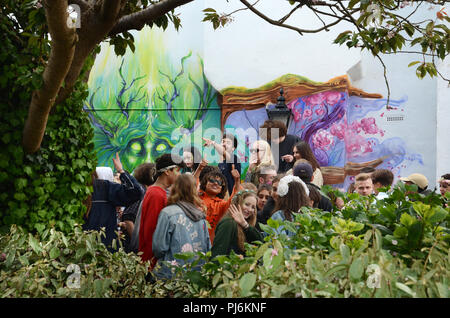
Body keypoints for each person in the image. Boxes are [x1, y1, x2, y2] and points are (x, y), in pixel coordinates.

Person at [152, 174, 211, 279]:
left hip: (170, 275)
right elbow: (207, 248)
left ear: (174, 188)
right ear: (194, 190)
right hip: (196, 274)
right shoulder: (201, 216)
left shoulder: (168, 213)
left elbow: (159, 248)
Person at [83, 153, 144, 251]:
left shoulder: (70, 190)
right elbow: (136, 192)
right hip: (105, 250)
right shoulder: (104, 188)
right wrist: (121, 171)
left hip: (79, 247)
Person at [138, 154, 185, 267]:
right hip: (152, 262)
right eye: (177, 171)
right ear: (167, 171)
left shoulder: (158, 192)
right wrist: (152, 263)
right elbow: (151, 231)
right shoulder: (156, 194)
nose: (180, 175)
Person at [197, 165, 242, 243]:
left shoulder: (222, 205)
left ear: (222, 188)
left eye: (219, 182)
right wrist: (199, 169)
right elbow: (188, 186)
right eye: (212, 180)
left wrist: (237, 181)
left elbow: (234, 199)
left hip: (211, 243)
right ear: (205, 183)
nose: (215, 183)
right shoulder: (196, 197)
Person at [211, 190, 263, 257]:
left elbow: (260, 242)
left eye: (253, 207)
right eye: (247, 204)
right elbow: (218, 255)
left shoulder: (245, 225)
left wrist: (245, 224)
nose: (250, 209)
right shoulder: (228, 223)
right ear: (237, 203)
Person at [119, 162, 156, 253]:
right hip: (134, 249)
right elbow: (128, 217)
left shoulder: (143, 190)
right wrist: (137, 244)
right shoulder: (141, 192)